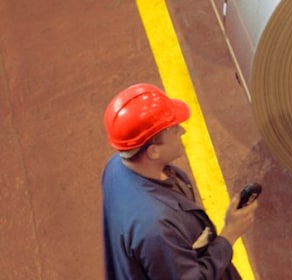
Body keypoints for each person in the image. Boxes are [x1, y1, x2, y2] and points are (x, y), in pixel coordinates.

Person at [101, 83, 259, 279]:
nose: (182, 131)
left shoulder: (115, 167)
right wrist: (230, 234)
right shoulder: (157, 227)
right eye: (174, 129)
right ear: (153, 151)